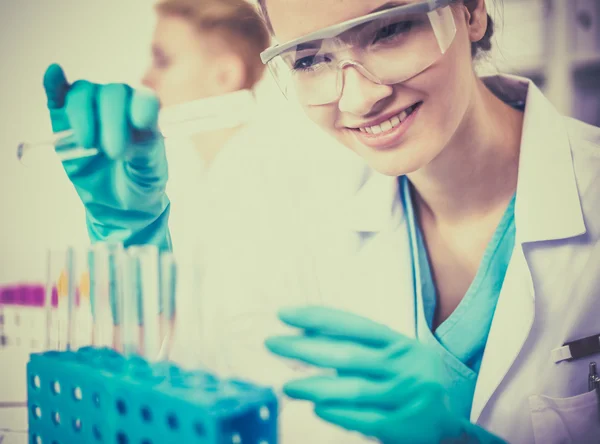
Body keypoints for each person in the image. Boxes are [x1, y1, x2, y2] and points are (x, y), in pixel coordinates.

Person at [40, 0, 600, 443]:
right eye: (309, 59)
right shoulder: (291, 208)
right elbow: (201, 402)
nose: (357, 98)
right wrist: (132, 240)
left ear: (471, 10)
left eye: (390, 30)